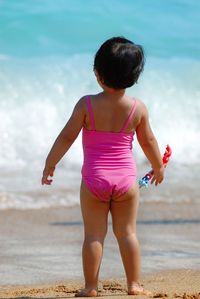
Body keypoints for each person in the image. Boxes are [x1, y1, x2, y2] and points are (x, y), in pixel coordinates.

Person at [41, 37, 164, 297]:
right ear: (134, 77)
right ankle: (133, 284)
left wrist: (50, 163)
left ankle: (91, 287)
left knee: (93, 236)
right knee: (128, 233)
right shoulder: (137, 108)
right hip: (126, 183)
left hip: (94, 181)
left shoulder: (86, 104)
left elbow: (66, 137)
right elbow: (149, 141)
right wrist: (158, 167)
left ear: (98, 74)